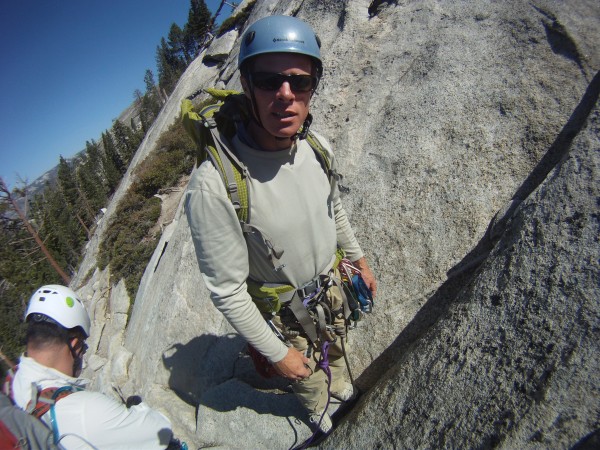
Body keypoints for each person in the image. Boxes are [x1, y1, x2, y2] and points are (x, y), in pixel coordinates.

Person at [184, 15, 377, 433]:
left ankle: (340, 386)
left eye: (300, 82)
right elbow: (228, 290)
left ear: (313, 87)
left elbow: (334, 209)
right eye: (269, 81)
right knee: (306, 376)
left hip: (333, 289)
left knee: (337, 347)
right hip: (287, 317)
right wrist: (275, 353)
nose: (285, 95)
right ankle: (321, 410)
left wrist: (359, 262)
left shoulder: (317, 147)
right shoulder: (215, 184)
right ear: (247, 85)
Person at [7, 284, 176, 449]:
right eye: (83, 347)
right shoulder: (85, 411)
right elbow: (160, 430)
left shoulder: (14, 383)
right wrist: (138, 408)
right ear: (74, 345)